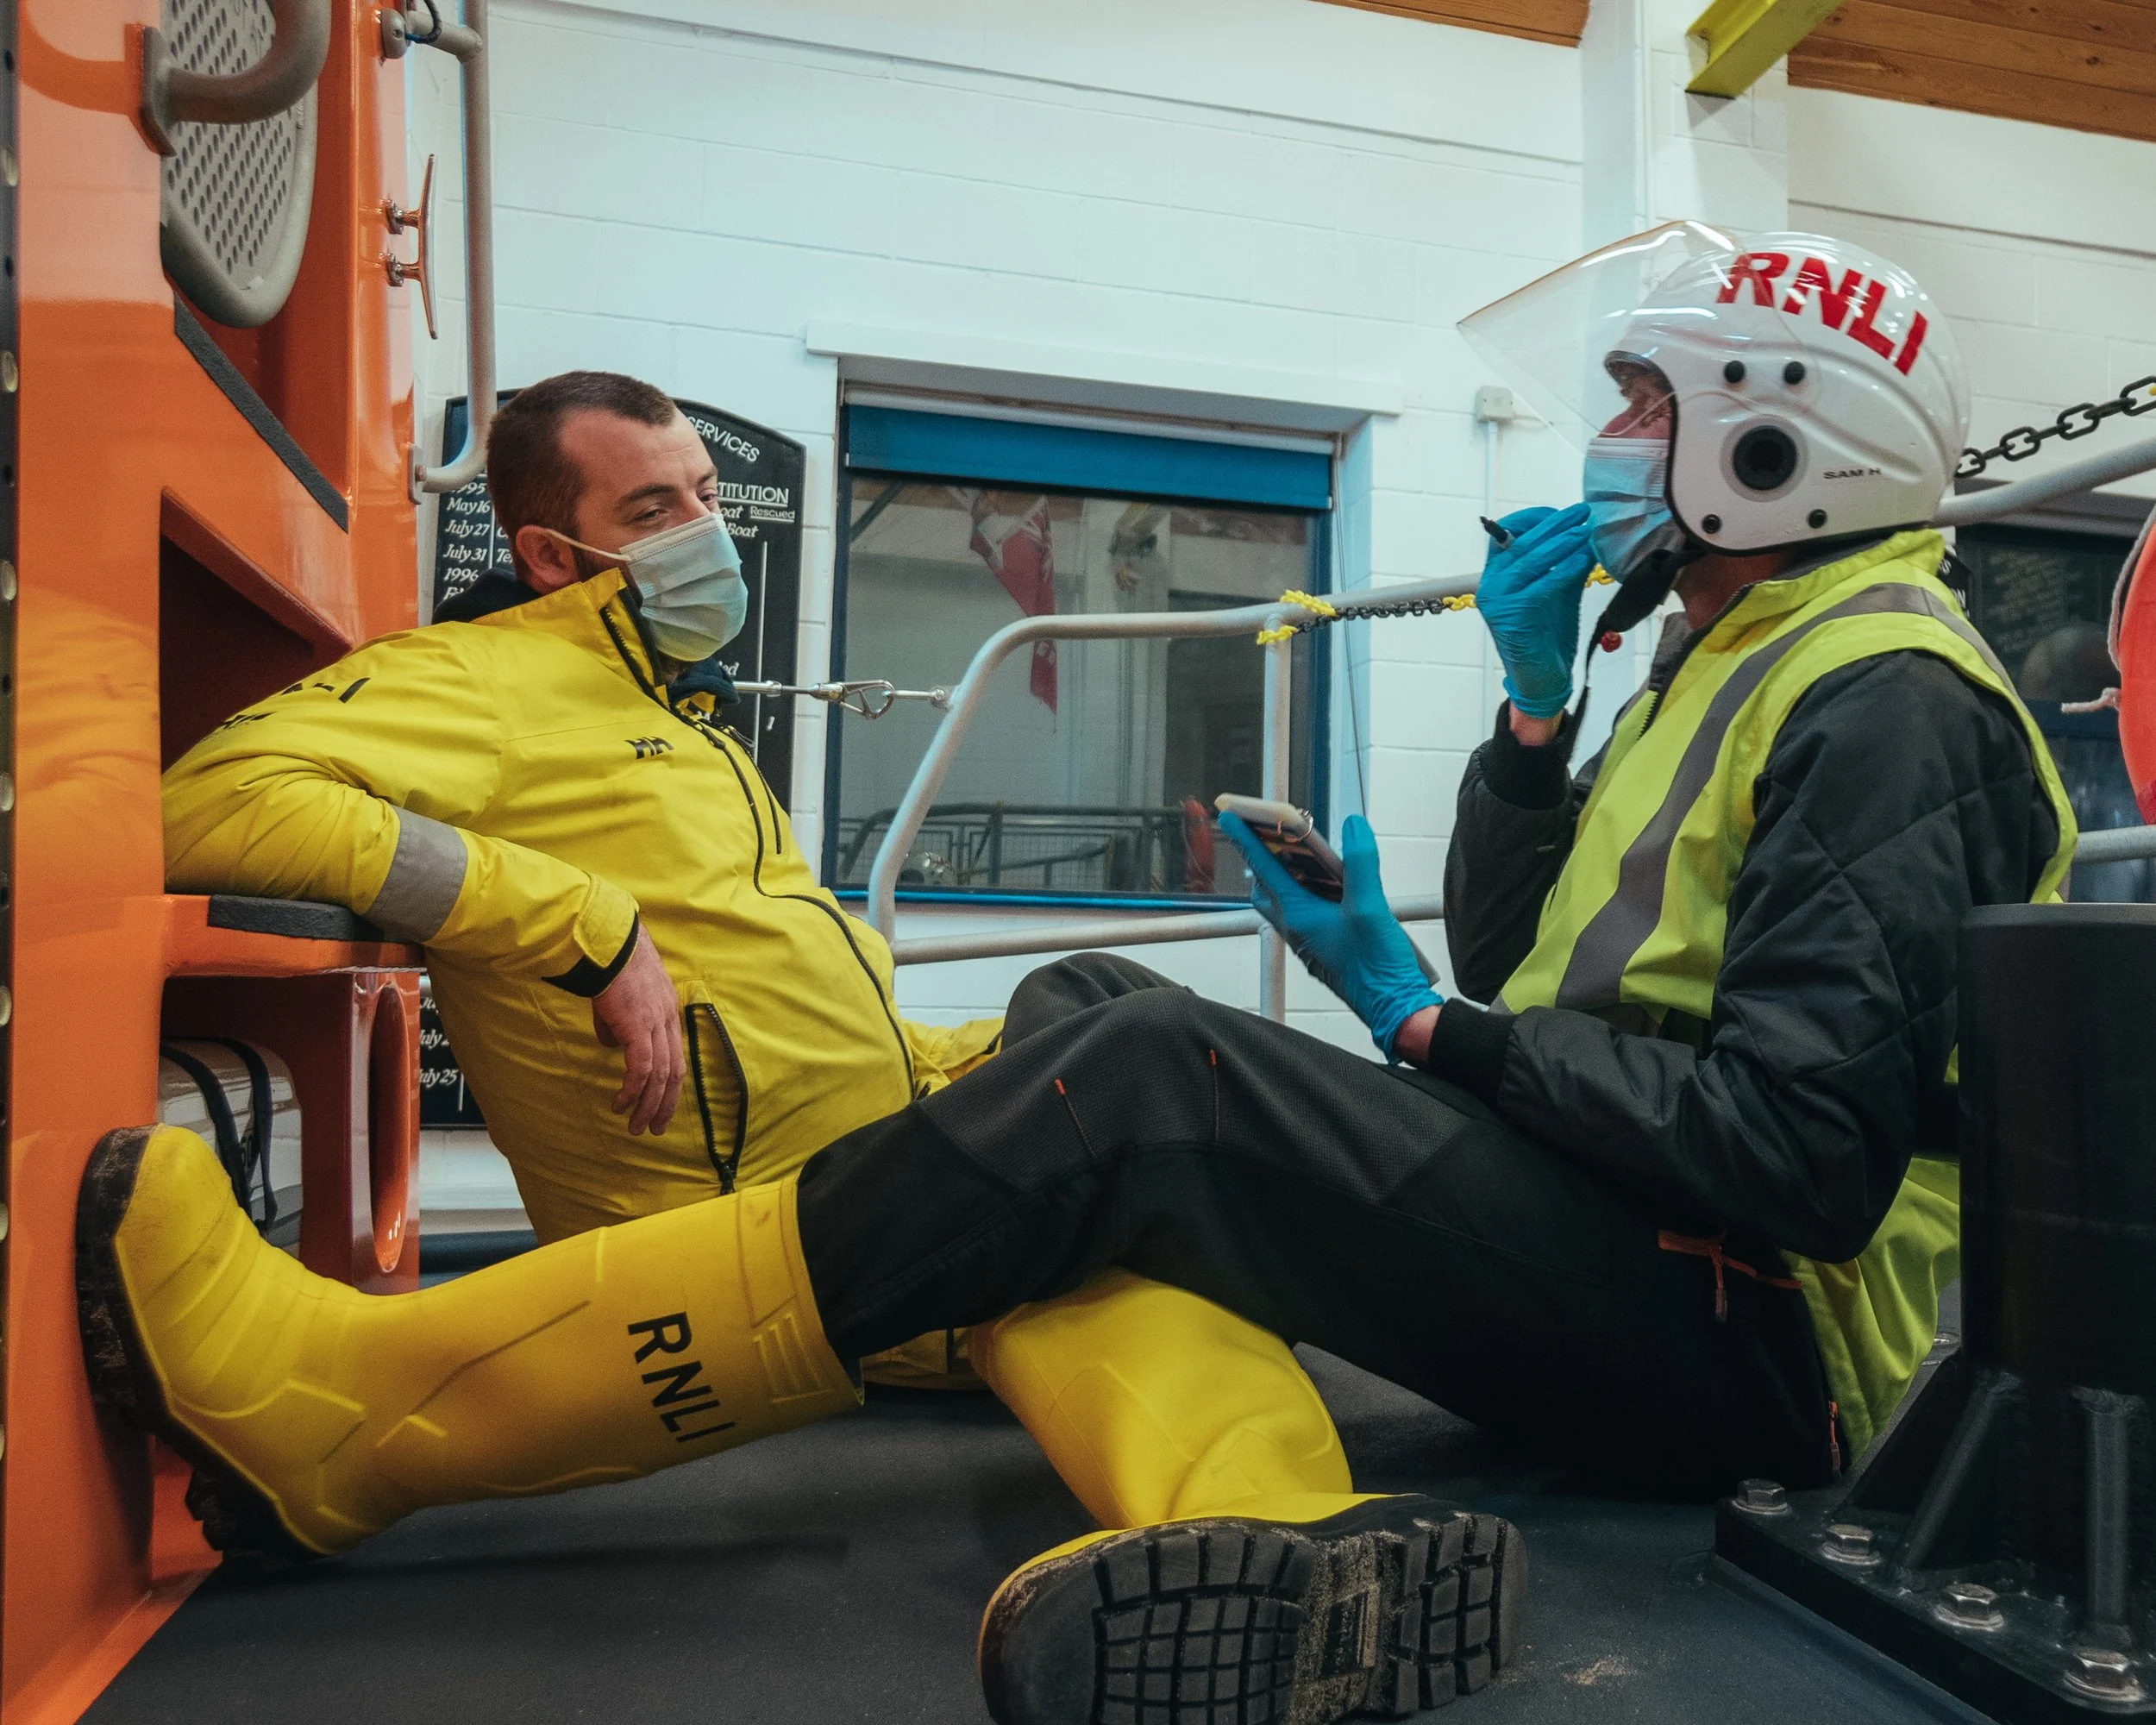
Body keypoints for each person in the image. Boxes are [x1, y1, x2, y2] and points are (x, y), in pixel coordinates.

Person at [85, 227, 2065, 1723]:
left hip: (1783, 1353)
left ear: (1768, 436)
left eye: (1644, 406)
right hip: (1652, 1255)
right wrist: (1532, 730)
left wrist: (1413, 1026)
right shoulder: (1724, 657)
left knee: (1151, 1083)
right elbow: (1546, 976)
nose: (1608, 443)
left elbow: (1788, 1157)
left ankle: (367, 1425)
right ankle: (1278, 1543)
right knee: (1093, 1017)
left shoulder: (1879, 695)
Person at [135, 372, 1502, 1722]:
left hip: (877, 1126)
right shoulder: (478, 682)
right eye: (656, 505)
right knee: (1088, 1224)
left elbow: (778, 988)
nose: (705, 529)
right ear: (554, 552)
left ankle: (1291, 1538)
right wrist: (570, 918)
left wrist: (962, 1057)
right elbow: (208, 804)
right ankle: (1282, 1519)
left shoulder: (671, 711)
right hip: (742, 1220)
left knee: (1118, 1039)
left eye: (707, 495)